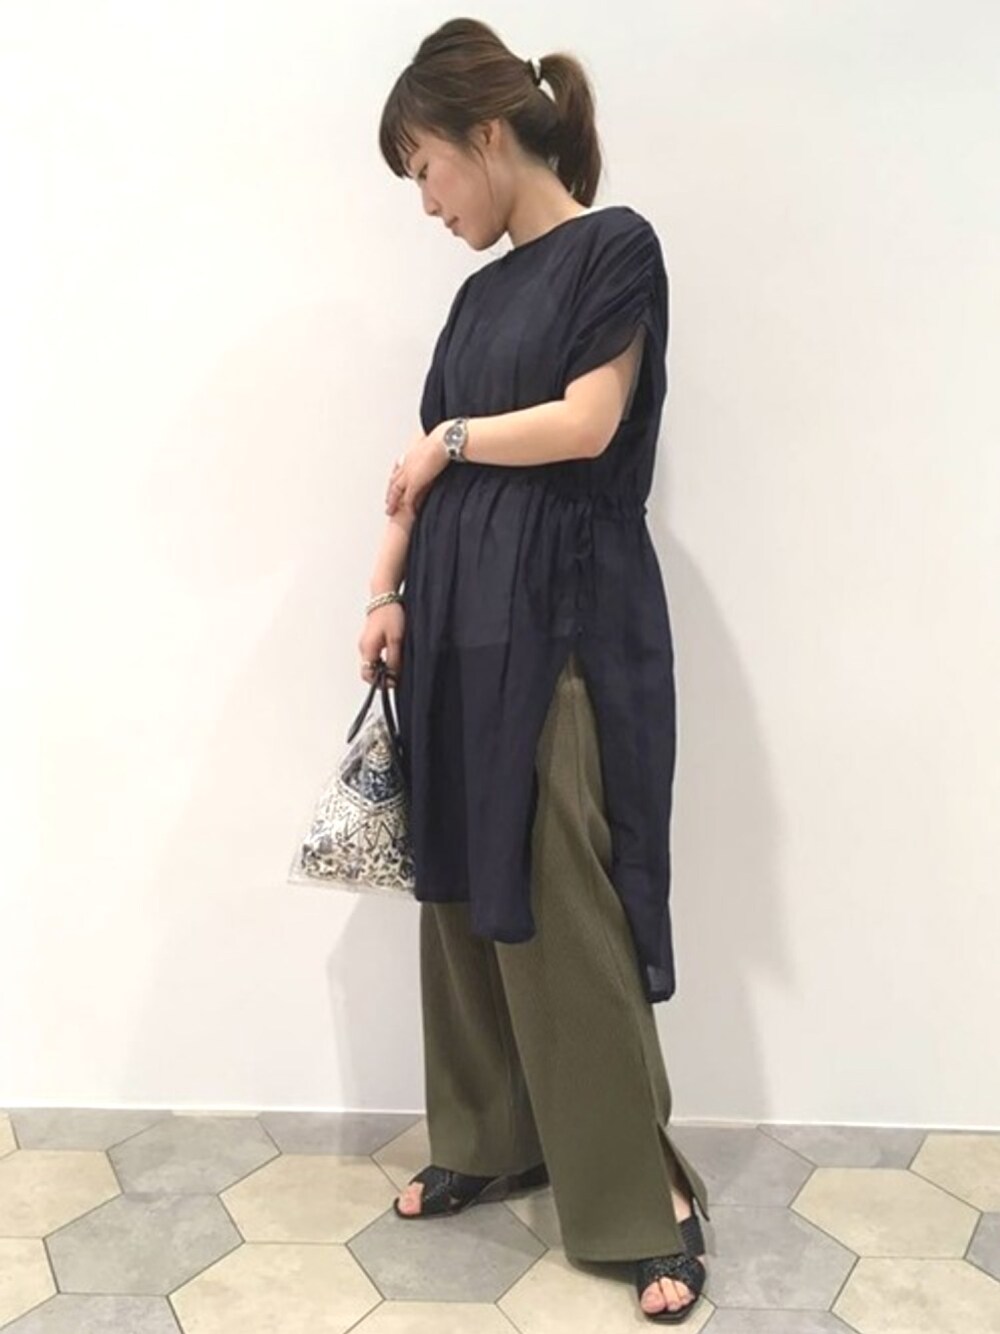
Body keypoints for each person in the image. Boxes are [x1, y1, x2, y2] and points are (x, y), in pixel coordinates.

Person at [357, 18, 710, 1324]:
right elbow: (414, 468)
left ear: (486, 132)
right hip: (456, 616)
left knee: (562, 894)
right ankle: (490, 1134)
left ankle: (639, 1195)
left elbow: (588, 422)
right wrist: (384, 589)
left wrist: (453, 438)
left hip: (561, 613)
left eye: (427, 169)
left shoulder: (614, 249)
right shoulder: (473, 300)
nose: (428, 202)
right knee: (457, 880)